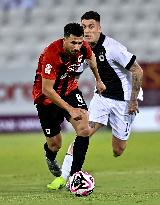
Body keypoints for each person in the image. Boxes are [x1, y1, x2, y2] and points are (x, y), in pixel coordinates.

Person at [47, 11, 143, 190]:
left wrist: (134, 100)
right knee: (84, 131)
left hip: (124, 101)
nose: (87, 31)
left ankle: (117, 136)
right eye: (84, 27)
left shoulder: (113, 47)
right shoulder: (81, 49)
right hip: (102, 98)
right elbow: (74, 74)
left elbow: (137, 70)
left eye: (91, 27)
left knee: (118, 150)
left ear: (99, 28)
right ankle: (64, 177)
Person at [32, 23, 106, 187]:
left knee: (84, 129)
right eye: (73, 43)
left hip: (70, 91)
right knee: (55, 144)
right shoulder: (51, 54)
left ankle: (75, 176)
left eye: (79, 43)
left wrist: (99, 80)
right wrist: (70, 109)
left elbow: (92, 60)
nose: (77, 47)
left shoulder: (83, 47)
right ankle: (50, 157)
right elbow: (47, 90)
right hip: (47, 100)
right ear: (65, 39)